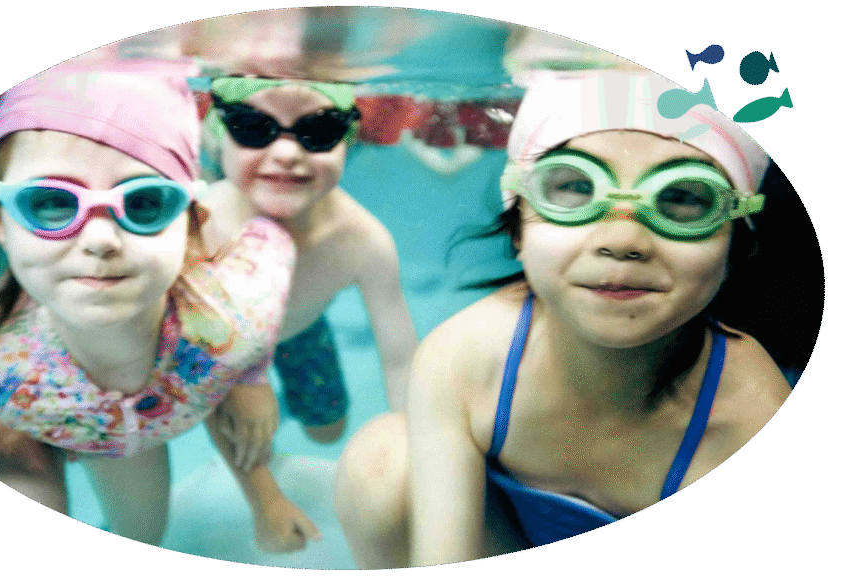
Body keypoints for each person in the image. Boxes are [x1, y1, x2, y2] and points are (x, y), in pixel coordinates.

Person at [333, 71, 793, 567]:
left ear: (735, 246)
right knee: (380, 462)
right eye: (575, 188)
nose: (623, 240)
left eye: (682, 198)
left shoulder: (751, 418)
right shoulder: (468, 355)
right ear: (518, 230)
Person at [0, 60, 321, 551]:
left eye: (144, 203)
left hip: (114, 435)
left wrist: (252, 381)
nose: (101, 240)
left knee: (143, 536)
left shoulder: (231, 320)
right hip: (6, 418)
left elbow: (270, 243)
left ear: (191, 220)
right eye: (51, 202)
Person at [200, 76, 418, 443]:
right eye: (251, 128)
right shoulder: (200, 221)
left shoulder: (363, 241)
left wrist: (416, 446)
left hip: (300, 330)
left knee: (328, 433)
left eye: (320, 130)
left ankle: (284, 403)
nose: (287, 154)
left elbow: (401, 360)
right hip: (219, 345)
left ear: (346, 140)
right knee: (245, 440)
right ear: (224, 136)